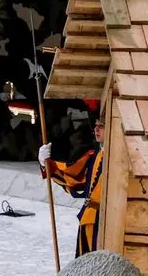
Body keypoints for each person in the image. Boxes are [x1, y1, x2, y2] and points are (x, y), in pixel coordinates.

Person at [38, 100, 104, 257]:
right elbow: (73, 179)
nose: (96, 130)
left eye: (100, 126)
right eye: (95, 125)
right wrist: (47, 163)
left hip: (107, 222)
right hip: (89, 220)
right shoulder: (94, 155)